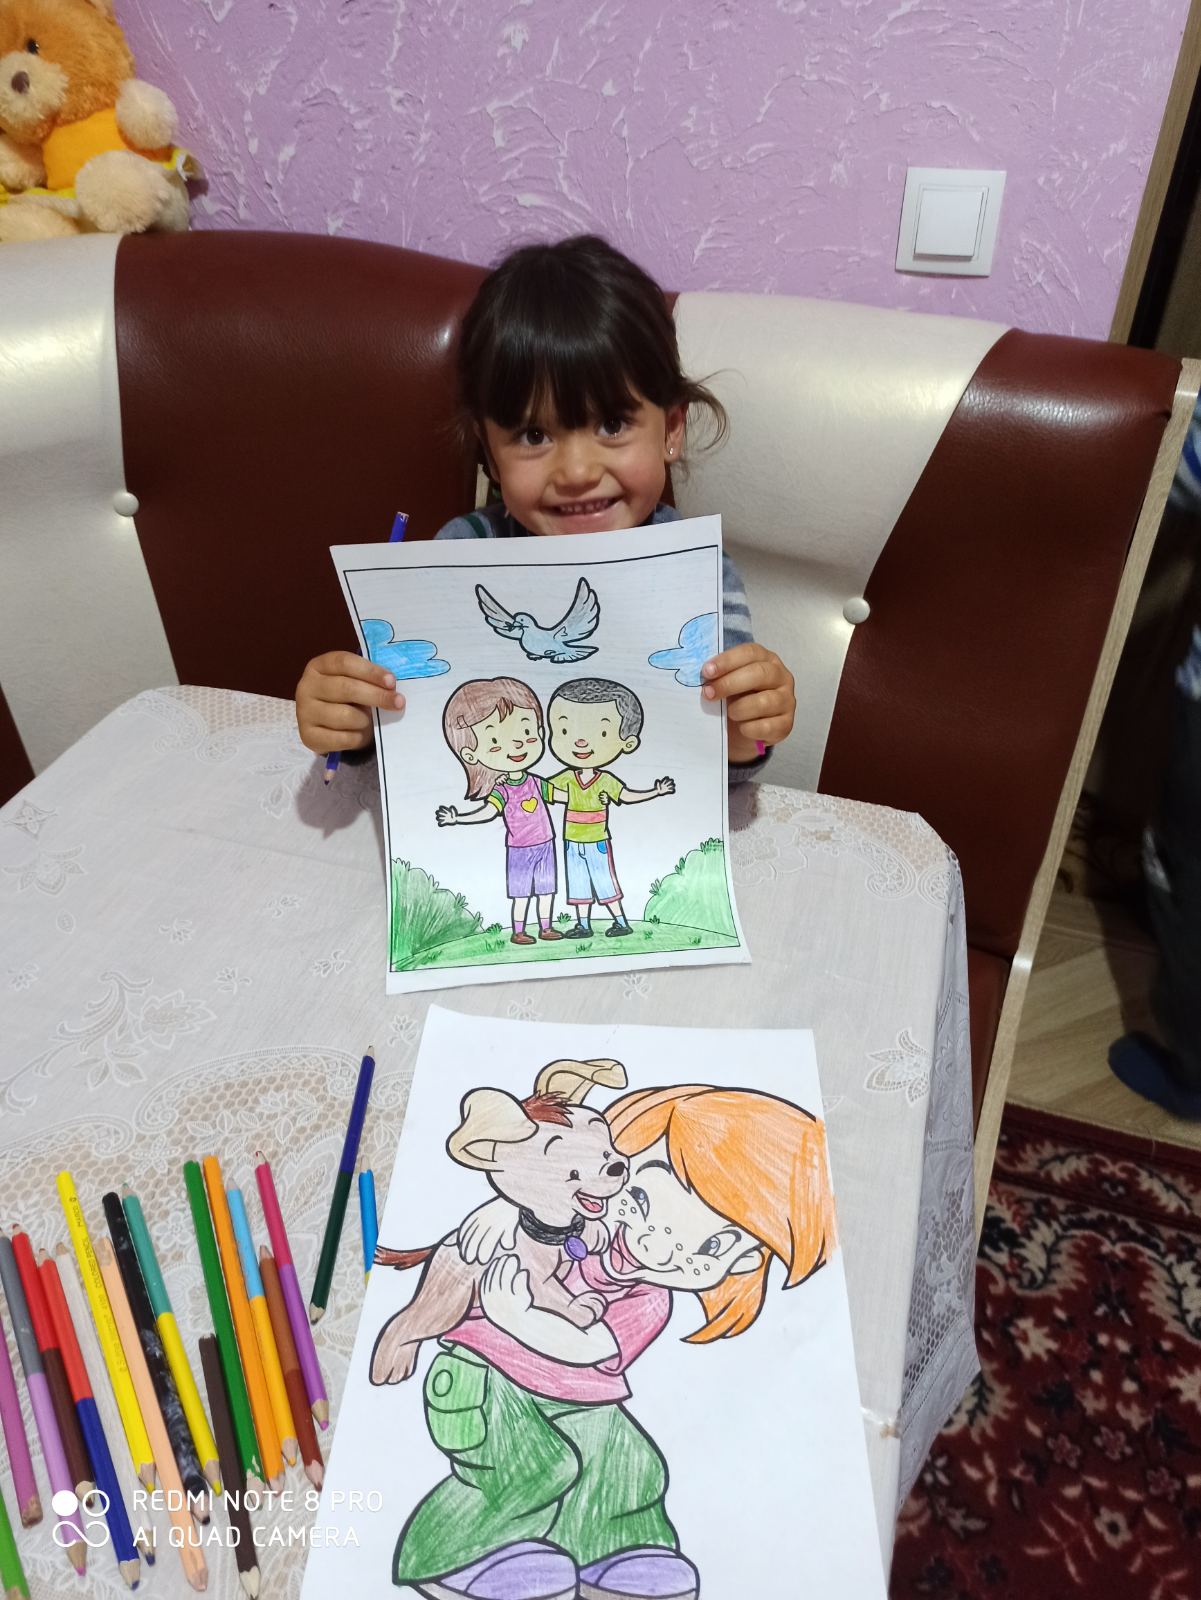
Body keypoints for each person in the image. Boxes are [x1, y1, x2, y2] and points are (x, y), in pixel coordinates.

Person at [294, 234, 796, 771]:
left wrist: (744, 735)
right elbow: (410, 726)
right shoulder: (459, 553)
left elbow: (717, 766)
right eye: (534, 436)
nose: (577, 473)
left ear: (671, 429)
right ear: (489, 453)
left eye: (612, 424)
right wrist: (354, 724)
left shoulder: (700, 576)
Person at [374, 1083, 836, 1600]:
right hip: (483, 1380)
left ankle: (613, 1550)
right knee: (536, 1467)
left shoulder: (649, 1301)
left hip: (580, 1397)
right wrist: (506, 1210)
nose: (654, 1242)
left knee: (629, 1462)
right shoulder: (580, 1222)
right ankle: (458, 1553)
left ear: (746, 1259)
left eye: (708, 1246)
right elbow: (507, 1214)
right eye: (640, 1199)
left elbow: (583, 1347)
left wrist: (516, 1315)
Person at [434, 676, 563, 944]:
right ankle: (519, 931)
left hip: (545, 845)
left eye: (526, 732)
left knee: (546, 890)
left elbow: (562, 796)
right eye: (495, 739)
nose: (517, 744)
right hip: (519, 849)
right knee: (521, 894)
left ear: (540, 732)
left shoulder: (536, 782)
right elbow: (487, 812)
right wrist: (458, 818)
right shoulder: (501, 790)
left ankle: (546, 928)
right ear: (471, 754)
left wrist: (587, 795)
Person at [544, 677, 674, 938]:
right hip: (572, 841)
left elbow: (626, 796)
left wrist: (655, 792)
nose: (580, 742)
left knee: (604, 882)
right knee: (578, 884)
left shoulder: (605, 780)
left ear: (627, 743)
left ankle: (621, 922)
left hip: (597, 842)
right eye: (565, 731)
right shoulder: (567, 777)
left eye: (601, 734)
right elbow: (544, 791)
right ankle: (583, 925)